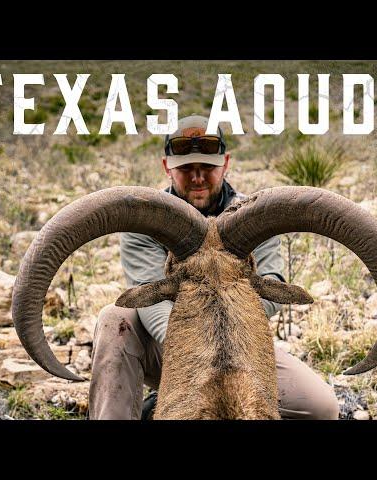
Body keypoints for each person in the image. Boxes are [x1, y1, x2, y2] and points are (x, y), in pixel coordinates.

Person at [88, 115, 339, 420]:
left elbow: (272, 283)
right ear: (167, 167)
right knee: (115, 318)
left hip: (240, 344)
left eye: (207, 167)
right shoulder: (146, 220)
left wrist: (227, 338)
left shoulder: (255, 217)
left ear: (226, 163)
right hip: (166, 342)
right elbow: (149, 297)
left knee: (320, 408)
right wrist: (194, 350)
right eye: (185, 169)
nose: (197, 178)